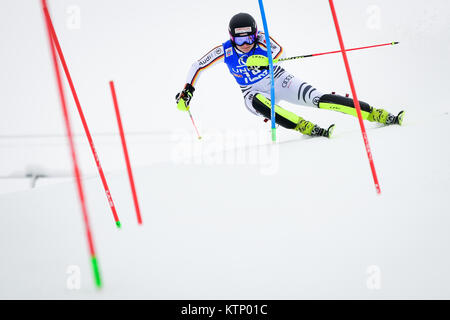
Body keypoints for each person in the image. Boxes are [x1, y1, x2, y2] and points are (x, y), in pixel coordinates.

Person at [176, 12, 404, 138]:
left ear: (255, 34)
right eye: (239, 39)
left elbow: (278, 50)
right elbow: (197, 65)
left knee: (319, 99)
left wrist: (266, 61)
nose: (245, 44)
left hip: (279, 79)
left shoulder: (262, 38)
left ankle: (377, 114)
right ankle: (303, 126)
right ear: (231, 37)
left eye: (248, 38)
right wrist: (188, 90)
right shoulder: (224, 50)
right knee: (259, 103)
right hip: (251, 91)